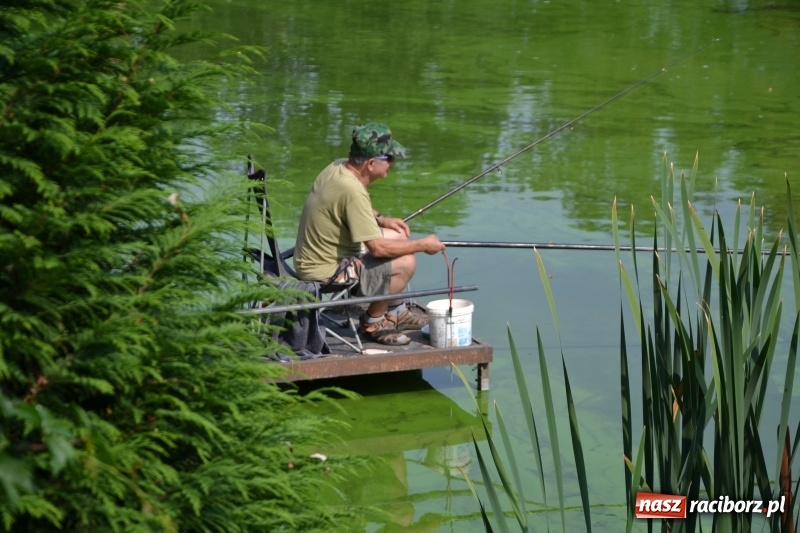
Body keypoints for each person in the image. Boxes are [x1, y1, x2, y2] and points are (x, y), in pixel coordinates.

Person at [293, 122, 446, 346]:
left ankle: (396, 312)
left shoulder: (338, 167)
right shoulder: (352, 190)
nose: (392, 164)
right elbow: (378, 248)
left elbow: (353, 209)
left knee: (397, 236)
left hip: (314, 257)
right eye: (389, 159)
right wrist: (423, 245)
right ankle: (372, 323)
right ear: (372, 163)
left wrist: (382, 219)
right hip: (326, 271)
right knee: (406, 262)